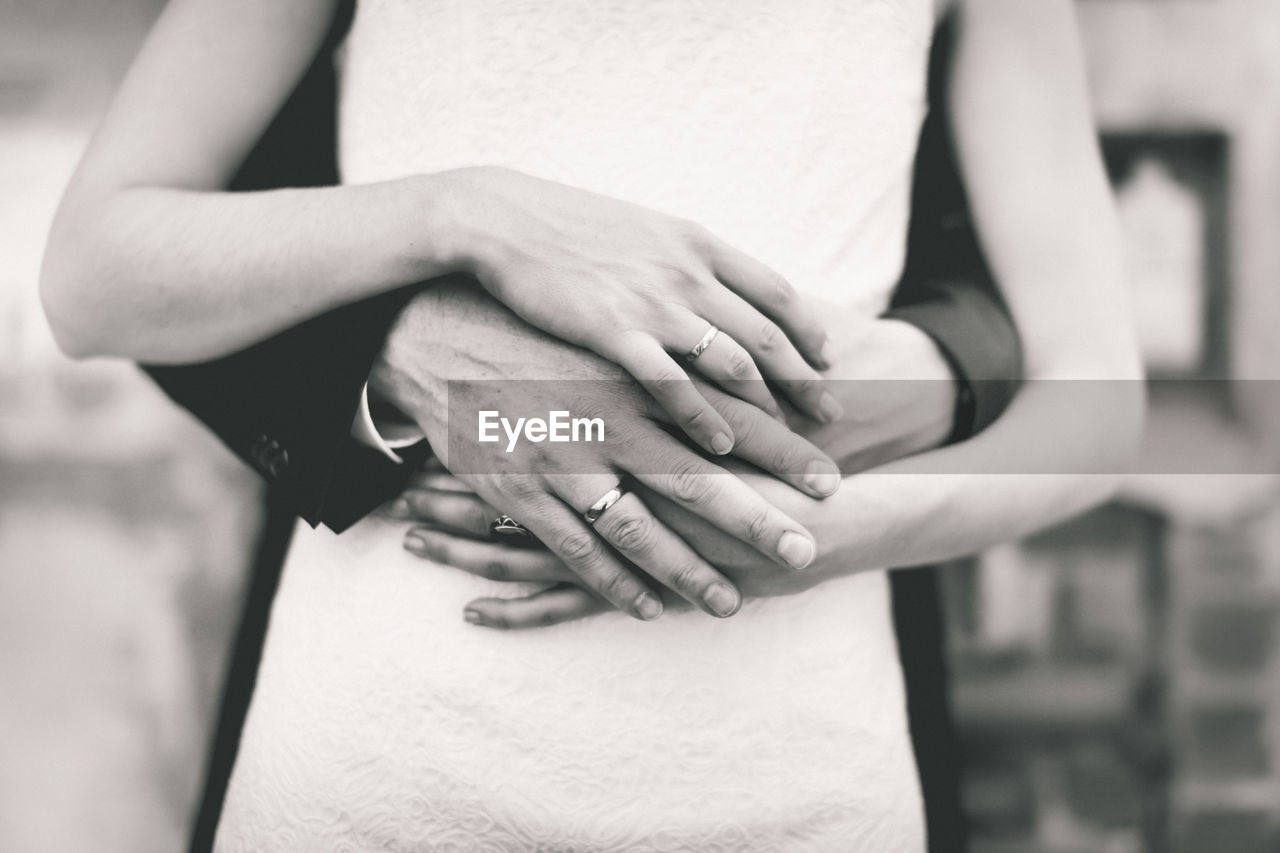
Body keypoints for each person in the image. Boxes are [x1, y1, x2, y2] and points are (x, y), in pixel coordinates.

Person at [40, 0, 1143, 849]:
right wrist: (460, 213)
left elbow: (1096, 396)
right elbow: (95, 271)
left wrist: (818, 538)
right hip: (378, 747)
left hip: (792, 762)